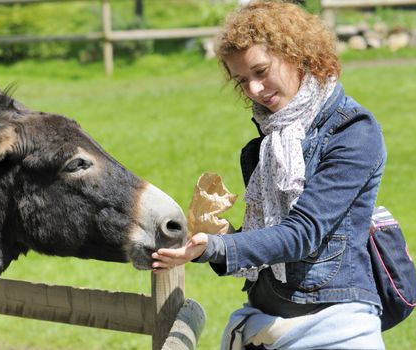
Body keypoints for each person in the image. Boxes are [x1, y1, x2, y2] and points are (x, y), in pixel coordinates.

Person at [152, 1, 387, 349]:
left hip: (335, 328)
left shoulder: (353, 132)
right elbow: (268, 243)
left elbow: (303, 234)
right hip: (263, 324)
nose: (254, 90)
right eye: (242, 80)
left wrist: (217, 247)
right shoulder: (267, 144)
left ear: (297, 53)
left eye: (261, 71)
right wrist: (219, 236)